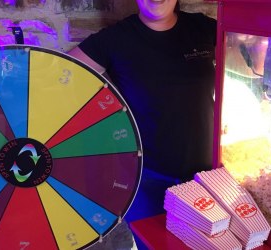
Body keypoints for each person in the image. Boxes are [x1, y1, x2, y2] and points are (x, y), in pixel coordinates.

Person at [69, 0, 216, 248]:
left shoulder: (203, 28)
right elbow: (59, 73)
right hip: (147, 179)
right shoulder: (116, 39)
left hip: (206, 176)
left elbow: (252, 51)